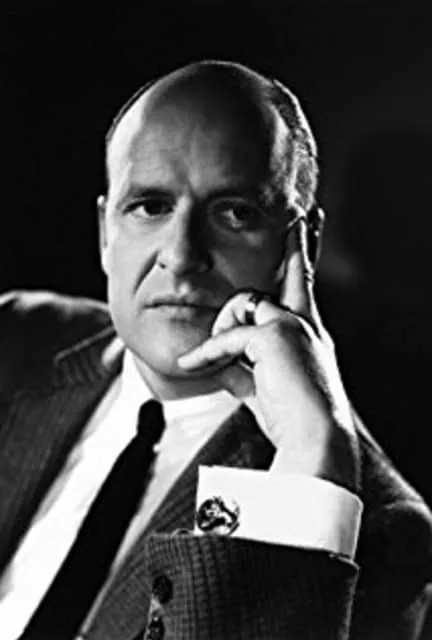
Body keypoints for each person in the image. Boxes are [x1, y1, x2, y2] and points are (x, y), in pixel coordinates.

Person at [0, 60, 431, 640]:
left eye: (235, 213)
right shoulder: (17, 338)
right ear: (106, 231)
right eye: (151, 206)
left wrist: (309, 455)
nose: (181, 255)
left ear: (303, 248)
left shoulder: (371, 529)